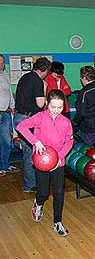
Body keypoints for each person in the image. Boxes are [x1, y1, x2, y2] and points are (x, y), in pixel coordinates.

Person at [16, 89, 73, 236]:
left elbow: (69, 141)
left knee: (59, 192)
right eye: (53, 107)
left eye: (60, 107)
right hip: (41, 161)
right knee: (43, 192)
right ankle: (38, 204)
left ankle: (57, 222)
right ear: (47, 104)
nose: (56, 110)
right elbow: (20, 126)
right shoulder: (40, 117)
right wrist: (36, 141)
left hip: (58, 163)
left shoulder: (66, 122)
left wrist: (59, 157)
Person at [14, 56, 51, 192]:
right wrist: (45, 89)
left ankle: (29, 182)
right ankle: (29, 185)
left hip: (19, 117)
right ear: (45, 70)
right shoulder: (37, 81)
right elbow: (41, 104)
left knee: (28, 152)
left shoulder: (25, 76)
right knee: (30, 153)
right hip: (27, 120)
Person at [0, 54, 19, 177]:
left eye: (2, 62)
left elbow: (9, 93)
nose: (1, 65)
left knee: (6, 142)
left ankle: (4, 165)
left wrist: (12, 105)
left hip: (6, 113)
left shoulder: (5, 74)